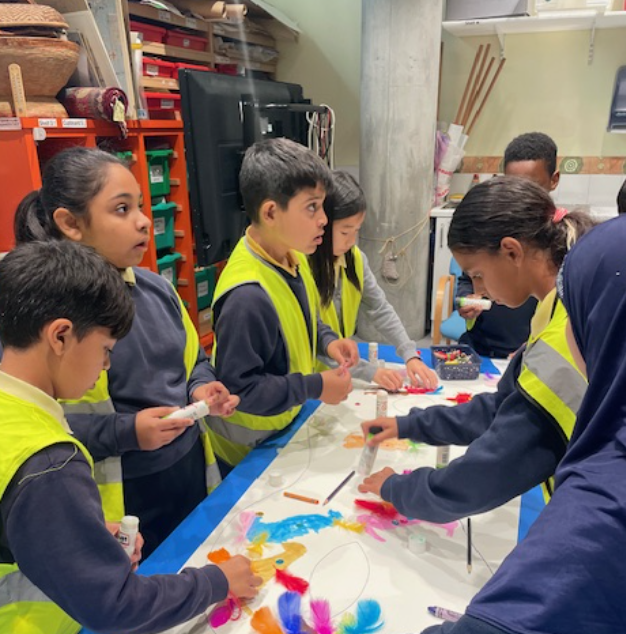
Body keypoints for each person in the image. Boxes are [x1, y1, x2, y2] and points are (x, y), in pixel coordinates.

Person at [259, 206, 626, 634]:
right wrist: (410, 425)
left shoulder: (606, 497)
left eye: (578, 318)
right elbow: (504, 406)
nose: (567, 335)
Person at [0, 241, 262, 634]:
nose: (105, 365)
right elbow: (116, 605)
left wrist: (72, 533)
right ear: (60, 336)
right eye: (105, 350)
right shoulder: (48, 461)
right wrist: (217, 581)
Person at [14, 147, 239, 558]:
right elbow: (31, 428)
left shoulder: (158, 289)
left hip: (187, 474)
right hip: (121, 500)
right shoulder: (47, 319)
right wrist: (127, 431)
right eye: (122, 209)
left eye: (140, 205)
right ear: (70, 223)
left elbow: (194, 361)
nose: (143, 221)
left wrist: (201, 389)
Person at [358, 175, 594, 525]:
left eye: (478, 274)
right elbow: (503, 408)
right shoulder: (561, 304)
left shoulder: (563, 335)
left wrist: (396, 487)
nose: (478, 289)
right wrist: (407, 424)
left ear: (511, 251)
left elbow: (483, 476)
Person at [207, 139, 359, 473]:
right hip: (247, 451)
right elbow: (241, 388)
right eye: (312, 207)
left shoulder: (293, 256)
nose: (324, 219)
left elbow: (302, 319)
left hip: (285, 425)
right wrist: (316, 386)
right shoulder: (247, 296)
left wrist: (328, 340)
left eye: (323, 206)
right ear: (271, 213)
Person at [306, 170, 438, 391]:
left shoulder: (355, 259)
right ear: (322, 225)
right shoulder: (302, 265)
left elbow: (379, 308)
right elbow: (312, 335)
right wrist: (371, 372)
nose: (351, 241)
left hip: (339, 371)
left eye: (356, 231)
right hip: (309, 378)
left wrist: (409, 354)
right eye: (345, 232)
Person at [456, 131, 560, 358]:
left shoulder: (558, 249)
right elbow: (467, 278)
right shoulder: (492, 226)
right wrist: (468, 297)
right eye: (512, 184)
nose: (520, 195)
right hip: (484, 346)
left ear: (512, 252)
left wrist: (531, 350)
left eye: (531, 186)